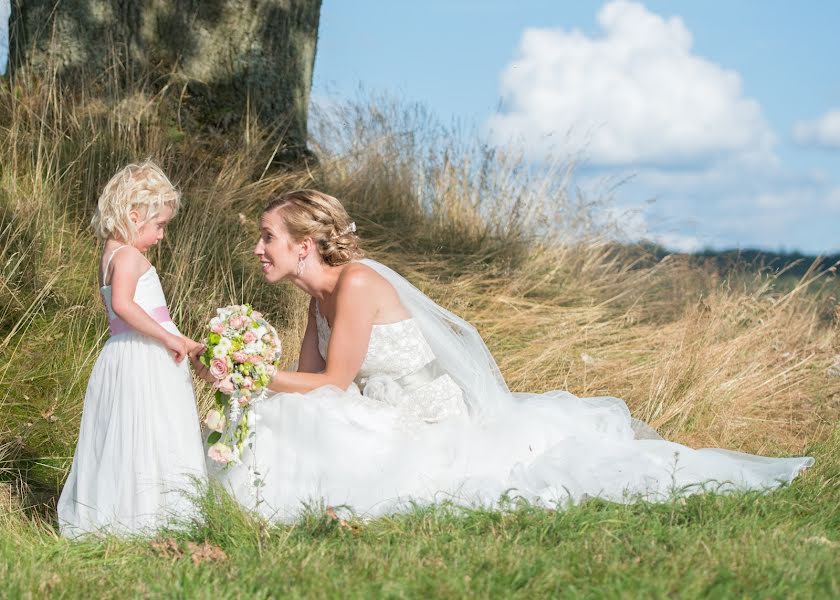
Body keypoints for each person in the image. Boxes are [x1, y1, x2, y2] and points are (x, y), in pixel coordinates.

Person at [191, 189, 813, 521]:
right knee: (280, 414)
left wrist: (253, 374)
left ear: (304, 245)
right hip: (376, 409)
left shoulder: (354, 285)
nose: (257, 248)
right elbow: (312, 383)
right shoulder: (315, 300)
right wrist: (241, 374)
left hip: (429, 422)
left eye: (266, 237)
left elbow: (330, 381)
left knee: (297, 411)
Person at [58, 160, 207, 537]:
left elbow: (137, 312)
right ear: (133, 214)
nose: (161, 237)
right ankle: (149, 515)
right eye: (159, 226)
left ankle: (133, 510)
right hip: (143, 355)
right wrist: (170, 338)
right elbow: (124, 306)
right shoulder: (127, 256)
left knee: (132, 430)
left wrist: (184, 341)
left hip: (127, 349)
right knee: (150, 429)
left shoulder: (111, 253)